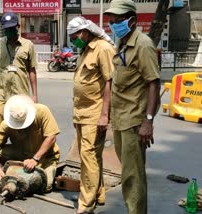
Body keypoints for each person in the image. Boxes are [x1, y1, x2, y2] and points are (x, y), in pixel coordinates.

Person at [104, 0, 161, 213]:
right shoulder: (122, 43)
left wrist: (148, 122)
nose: (113, 25)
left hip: (134, 122)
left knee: (133, 176)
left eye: (118, 21)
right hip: (121, 120)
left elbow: (153, 83)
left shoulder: (143, 44)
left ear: (132, 20)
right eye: (111, 21)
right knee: (128, 173)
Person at [66, 17, 116, 214]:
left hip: (95, 114)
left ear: (85, 32)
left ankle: (86, 203)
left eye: (74, 36)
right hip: (82, 113)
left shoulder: (102, 48)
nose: (73, 41)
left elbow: (110, 82)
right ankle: (99, 193)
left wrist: (105, 115)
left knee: (88, 157)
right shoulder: (86, 49)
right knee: (93, 156)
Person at [0, 95, 60, 192]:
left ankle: (44, 169)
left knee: (45, 186)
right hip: (22, 154)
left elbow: (51, 137)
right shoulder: (7, 123)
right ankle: (3, 166)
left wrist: (35, 159)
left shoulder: (42, 111)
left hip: (45, 157)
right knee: (2, 152)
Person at [0, 12, 38, 129]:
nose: (9, 31)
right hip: (2, 96)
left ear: (18, 27)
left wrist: (34, 95)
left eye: (11, 28)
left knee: (20, 130)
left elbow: (32, 70)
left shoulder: (28, 45)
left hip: (21, 95)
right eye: (6, 29)